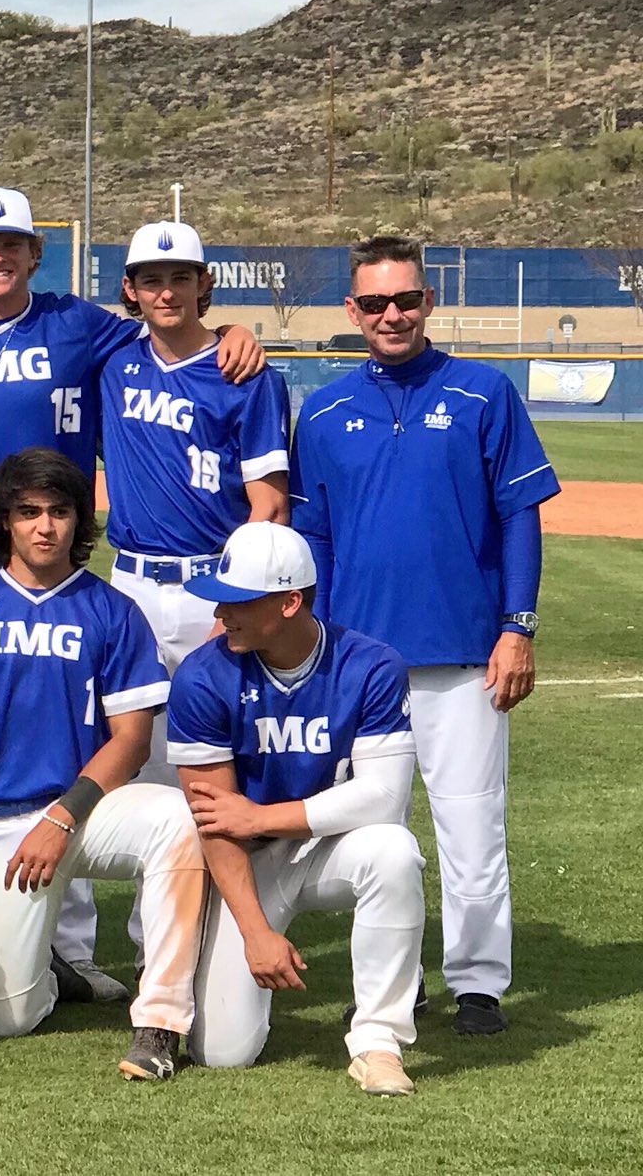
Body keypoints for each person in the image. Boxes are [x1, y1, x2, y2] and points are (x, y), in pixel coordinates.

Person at [0, 186, 262, 1000]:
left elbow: (173, 328)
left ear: (36, 255)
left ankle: (75, 946)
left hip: (63, 565)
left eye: (14, 244)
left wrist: (234, 331)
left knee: (73, 743)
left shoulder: (84, 326)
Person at [290, 233, 558, 1037]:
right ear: (352, 309)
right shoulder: (327, 410)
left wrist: (517, 628)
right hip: (362, 664)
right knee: (375, 838)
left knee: (472, 827)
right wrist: (319, 655)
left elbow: (519, 517)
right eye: (374, 302)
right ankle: (391, 988)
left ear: (428, 302)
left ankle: (477, 983)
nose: (392, 314)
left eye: (406, 298)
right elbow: (319, 545)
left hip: (466, 656)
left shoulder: (483, 393)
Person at [0, 447, 205, 1082]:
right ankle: (43, 968)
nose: (45, 526)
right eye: (29, 512)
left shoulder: (112, 609)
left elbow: (130, 738)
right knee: (9, 1016)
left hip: (85, 810)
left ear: (79, 521)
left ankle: (159, 1018)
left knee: (180, 818)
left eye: (60, 511)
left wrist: (66, 815)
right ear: (5, 522)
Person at [172, 521, 424, 1096]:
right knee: (223, 1053)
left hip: (329, 848)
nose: (222, 612)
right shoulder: (202, 676)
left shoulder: (372, 664)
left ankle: (378, 1044)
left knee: (394, 852)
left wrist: (260, 816)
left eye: (238, 600)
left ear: (289, 602)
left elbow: (385, 796)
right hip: (247, 863)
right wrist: (256, 931)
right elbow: (217, 823)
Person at [101, 220, 291, 759]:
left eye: (180, 277)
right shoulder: (113, 362)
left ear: (204, 284)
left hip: (211, 583)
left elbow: (270, 506)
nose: (166, 292)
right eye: (151, 279)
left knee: (222, 748)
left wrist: (234, 600)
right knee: (135, 756)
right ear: (130, 289)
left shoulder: (247, 375)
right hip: (129, 584)